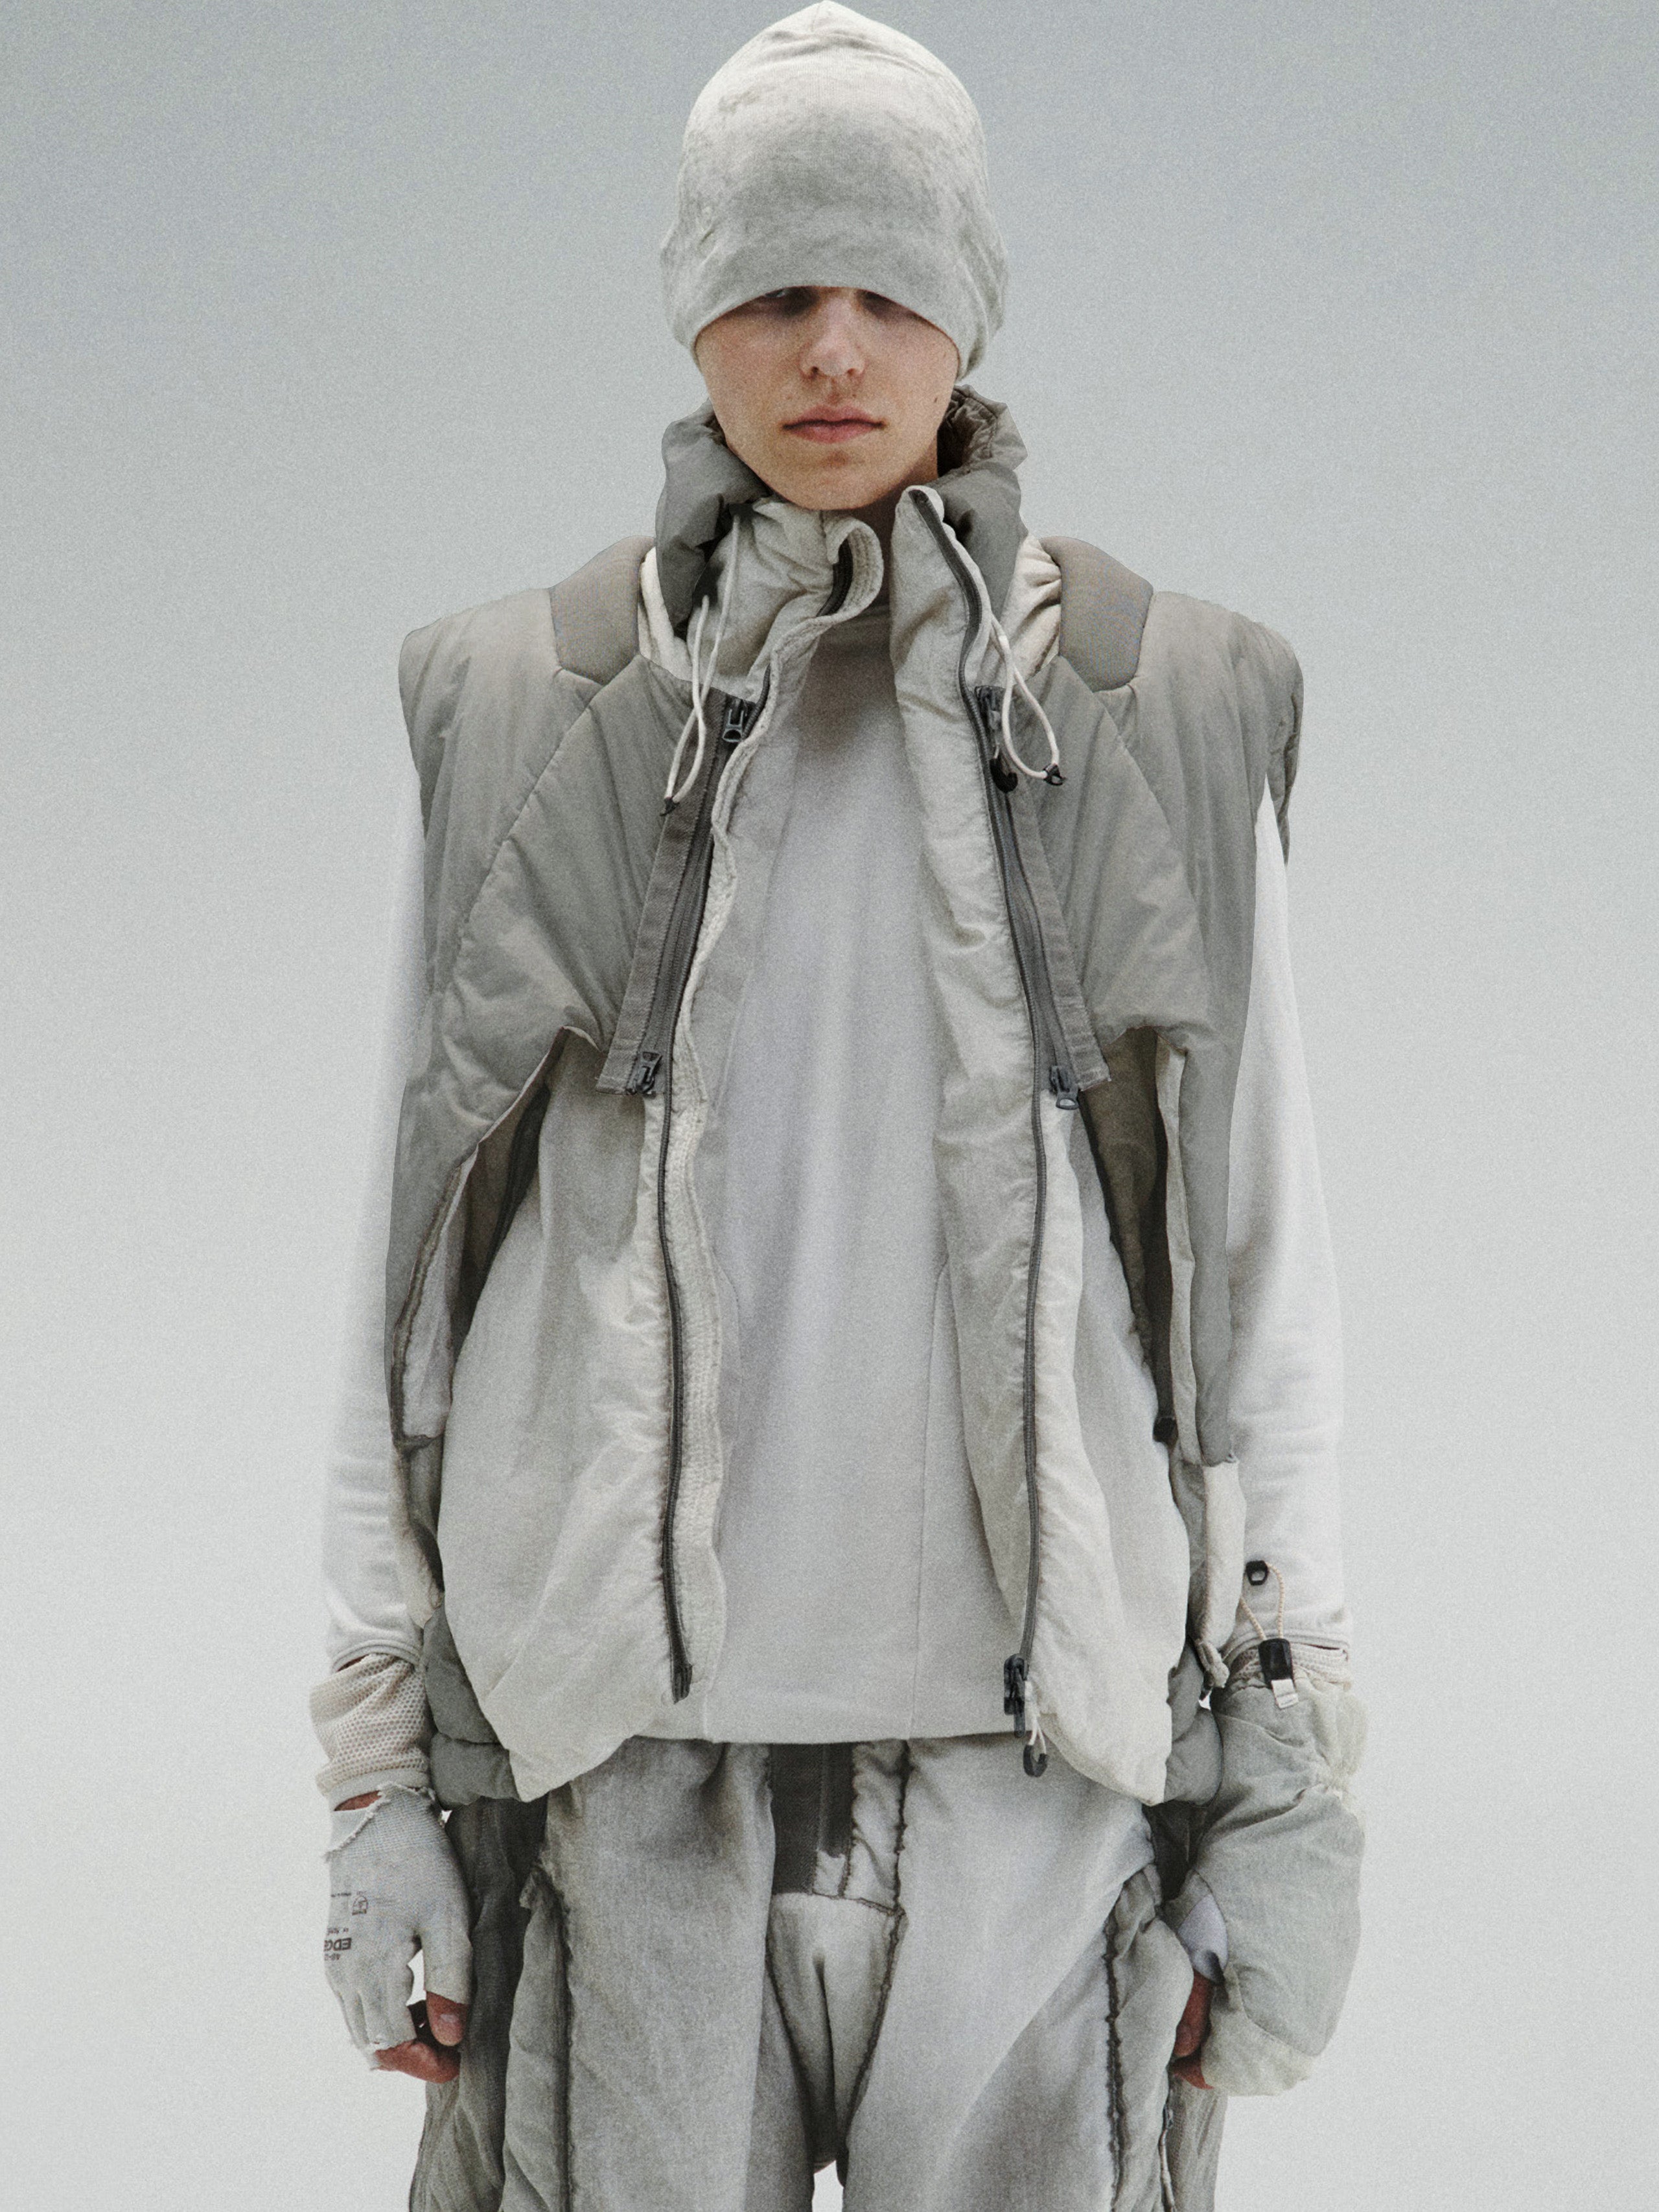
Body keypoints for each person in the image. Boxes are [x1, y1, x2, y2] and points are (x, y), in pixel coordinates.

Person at [312, 8, 1364, 2207]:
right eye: (778, 286)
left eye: (891, 287)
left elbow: (1257, 1271)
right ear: (693, 305)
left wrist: (1289, 1779)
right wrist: (378, 1784)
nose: (835, 348)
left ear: (971, 307)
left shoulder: (1164, 704)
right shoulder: (523, 705)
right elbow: (402, 1295)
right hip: (621, 1788)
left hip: (1035, 1786)